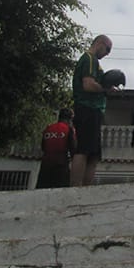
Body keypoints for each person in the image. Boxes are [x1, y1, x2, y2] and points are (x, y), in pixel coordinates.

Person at [71, 34, 113, 186]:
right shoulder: (89, 59)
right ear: (100, 43)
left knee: (93, 154)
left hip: (93, 110)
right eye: (107, 49)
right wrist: (105, 89)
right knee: (84, 149)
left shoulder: (94, 62)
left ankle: (85, 188)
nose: (107, 53)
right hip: (87, 108)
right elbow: (88, 84)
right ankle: (75, 187)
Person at [35, 108, 76, 189]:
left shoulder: (48, 128)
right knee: (61, 192)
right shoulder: (69, 129)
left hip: (45, 166)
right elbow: (73, 149)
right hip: (61, 166)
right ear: (70, 119)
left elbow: (43, 147)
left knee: (42, 192)